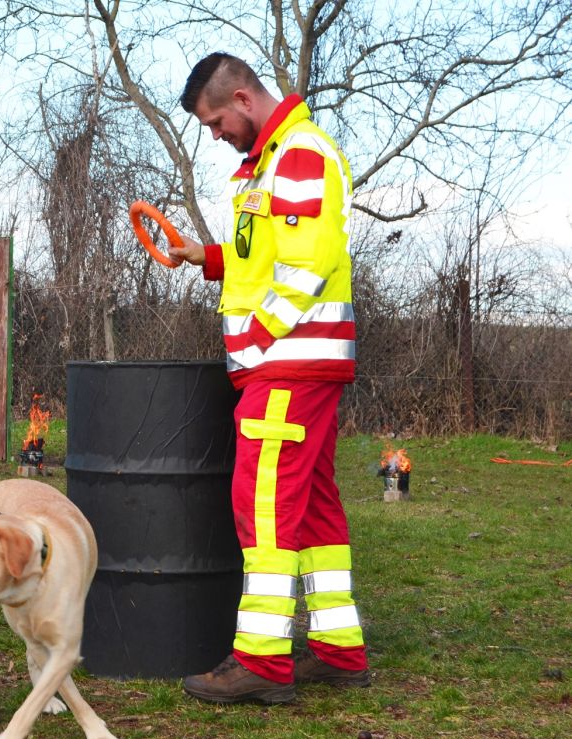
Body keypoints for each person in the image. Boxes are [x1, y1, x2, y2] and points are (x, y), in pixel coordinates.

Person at [166, 53, 370, 703]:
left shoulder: (299, 153)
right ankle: (340, 652)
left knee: (265, 508)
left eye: (216, 121)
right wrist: (211, 257)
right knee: (310, 508)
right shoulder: (268, 164)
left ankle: (261, 661)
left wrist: (253, 345)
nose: (216, 134)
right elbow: (269, 259)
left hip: (286, 363)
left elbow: (307, 269)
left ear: (245, 101)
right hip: (298, 362)